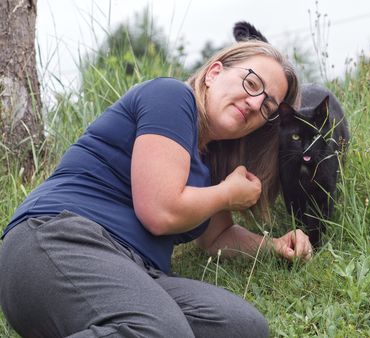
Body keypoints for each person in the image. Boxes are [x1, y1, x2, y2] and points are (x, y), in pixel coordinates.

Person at [0, 40, 313, 338]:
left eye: (268, 105)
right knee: (160, 331)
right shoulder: (171, 97)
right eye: (252, 84)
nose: (256, 102)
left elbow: (216, 238)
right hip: (57, 240)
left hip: (132, 268)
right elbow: (160, 212)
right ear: (214, 73)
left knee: (240, 327)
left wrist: (274, 245)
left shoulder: (206, 165)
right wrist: (228, 195)